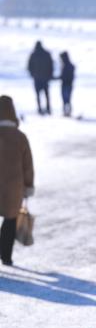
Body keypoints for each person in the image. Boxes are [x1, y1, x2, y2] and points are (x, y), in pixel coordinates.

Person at [0, 96, 34, 266]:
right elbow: (28, 165)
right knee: (10, 220)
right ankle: (6, 256)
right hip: (14, 187)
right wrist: (28, 186)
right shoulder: (20, 137)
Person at [27, 41, 54, 115]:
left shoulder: (33, 54)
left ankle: (40, 109)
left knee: (39, 95)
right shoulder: (46, 54)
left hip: (37, 78)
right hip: (44, 78)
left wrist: (32, 74)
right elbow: (51, 65)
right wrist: (50, 75)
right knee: (46, 95)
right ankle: (47, 109)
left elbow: (29, 66)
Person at [58, 51, 75, 116]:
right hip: (68, 84)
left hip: (66, 84)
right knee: (67, 99)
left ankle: (67, 112)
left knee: (66, 100)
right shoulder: (69, 65)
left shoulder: (66, 66)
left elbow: (64, 76)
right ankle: (67, 112)